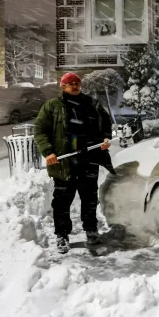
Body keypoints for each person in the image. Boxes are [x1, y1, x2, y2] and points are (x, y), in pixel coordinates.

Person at [33, 72, 113, 254]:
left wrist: (106, 138)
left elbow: (106, 122)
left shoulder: (91, 104)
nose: (75, 86)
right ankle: (62, 235)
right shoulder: (52, 106)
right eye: (70, 84)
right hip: (64, 163)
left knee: (89, 199)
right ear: (63, 87)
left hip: (88, 159)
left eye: (77, 83)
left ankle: (91, 230)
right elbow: (40, 130)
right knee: (62, 202)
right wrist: (48, 151)